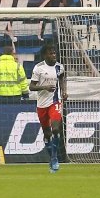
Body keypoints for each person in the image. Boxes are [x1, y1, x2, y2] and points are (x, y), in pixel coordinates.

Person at [29, 43, 67, 172]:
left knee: (56, 129)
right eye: (50, 53)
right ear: (45, 55)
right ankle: (52, 158)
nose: (53, 55)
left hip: (55, 102)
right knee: (47, 133)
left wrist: (64, 91)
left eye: (54, 53)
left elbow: (62, 79)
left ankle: (55, 158)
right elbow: (31, 87)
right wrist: (44, 87)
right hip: (41, 104)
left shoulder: (60, 67)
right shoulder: (38, 68)